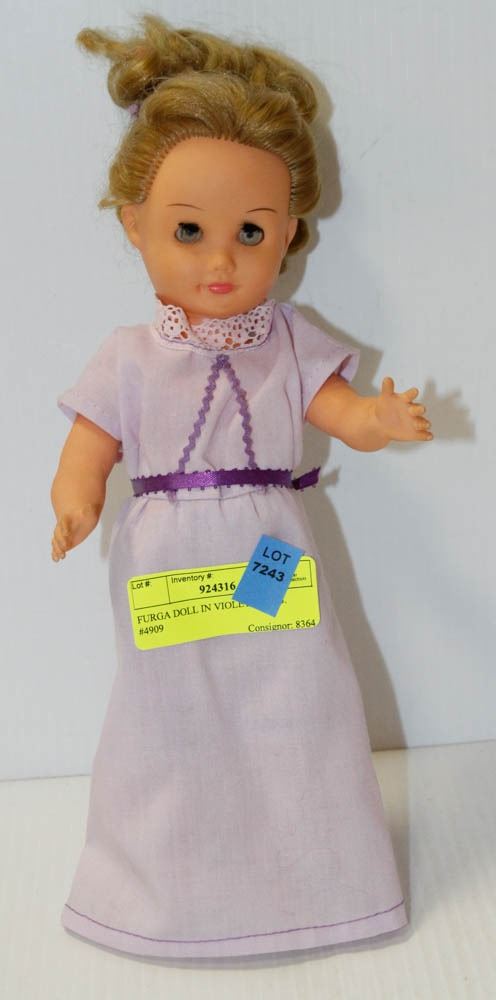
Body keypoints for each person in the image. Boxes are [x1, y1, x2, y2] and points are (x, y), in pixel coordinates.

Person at [51, 15, 432, 959]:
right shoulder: (129, 355)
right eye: (189, 230)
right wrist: (76, 497)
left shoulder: (289, 340)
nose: (220, 260)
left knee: (298, 704)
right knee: (169, 717)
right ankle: (163, 896)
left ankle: (319, 888)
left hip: (270, 553)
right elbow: (91, 439)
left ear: (288, 233)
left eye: (250, 232)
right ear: (135, 223)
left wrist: (378, 419)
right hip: (168, 559)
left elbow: (340, 411)